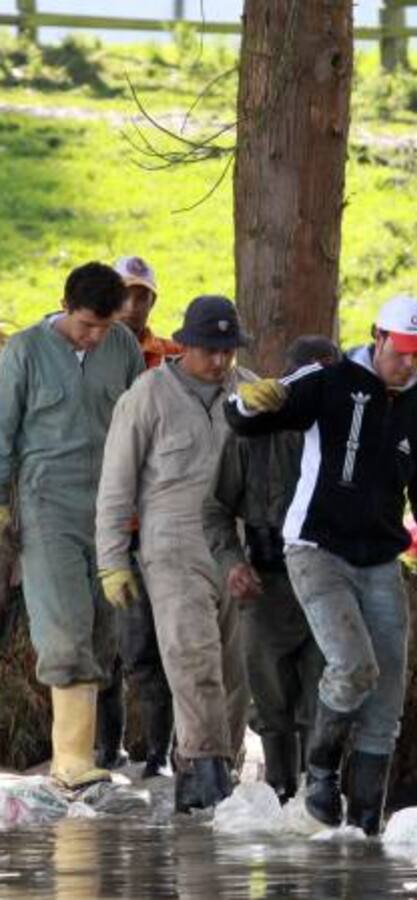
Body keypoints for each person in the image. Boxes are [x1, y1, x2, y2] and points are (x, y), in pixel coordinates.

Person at [225, 295, 417, 835]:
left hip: (381, 559)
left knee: (386, 699)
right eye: (402, 352)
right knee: (353, 665)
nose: (410, 364)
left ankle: (366, 825)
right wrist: (247, 401)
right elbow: (250, 421)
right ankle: (320, 777)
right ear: (377, 337)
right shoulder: (331, 380)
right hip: (315, 550)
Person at [95, 295, 253, 812]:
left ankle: (220, 773)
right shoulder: (147, 396)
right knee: (193, 660)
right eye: (210, 350)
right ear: (184, 344)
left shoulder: (249, 393)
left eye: (228, 350)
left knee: (236, 671)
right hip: (171, 543)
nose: (220, 361)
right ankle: (203, 773)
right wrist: (113, 559)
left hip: (235, 545)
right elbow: (116, 485)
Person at [0, 261, 144, 790]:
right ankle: (71, 760)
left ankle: (91, 753)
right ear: (64, 307)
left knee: (102, 629)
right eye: (87, 325)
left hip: (108, 505)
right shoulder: (24, 352)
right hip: (45, 502)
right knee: (62, 625)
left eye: (106, 326)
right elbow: (1, 431)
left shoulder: (123, 346)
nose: (96, 335)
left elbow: (137, 425)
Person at [204, 336, 341, 803]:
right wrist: (232, 563)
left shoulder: (350, 433)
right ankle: (281, 790)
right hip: (267, 583)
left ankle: (318, 795)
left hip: (330, 583)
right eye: (305, 378)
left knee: (323, 696)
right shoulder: (252, 432)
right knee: (270, 699)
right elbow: (215, 510)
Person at [94, 254, 180, 777]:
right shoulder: (87, 348)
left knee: (149, 643)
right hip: (102, 516)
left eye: (143, 296)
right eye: (124, 294)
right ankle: (106, 750)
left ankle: (160, 756)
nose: (132, 305)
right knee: (104, 643)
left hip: (155, 522)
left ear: (152, 302)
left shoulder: (171, 357)